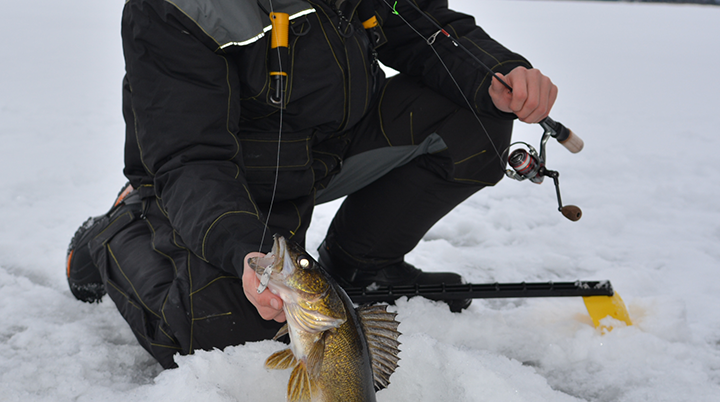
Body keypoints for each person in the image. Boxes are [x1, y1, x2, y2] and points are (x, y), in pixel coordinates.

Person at [66, 0, 557, 369]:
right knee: (234, 333)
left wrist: (495, 70)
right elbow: (192, 159)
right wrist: (249, 252)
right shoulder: (174, 8)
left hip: (331, 146)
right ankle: (117, 233)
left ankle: (364, 265)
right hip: (229, 183)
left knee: (476, 113)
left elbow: (419, 23)